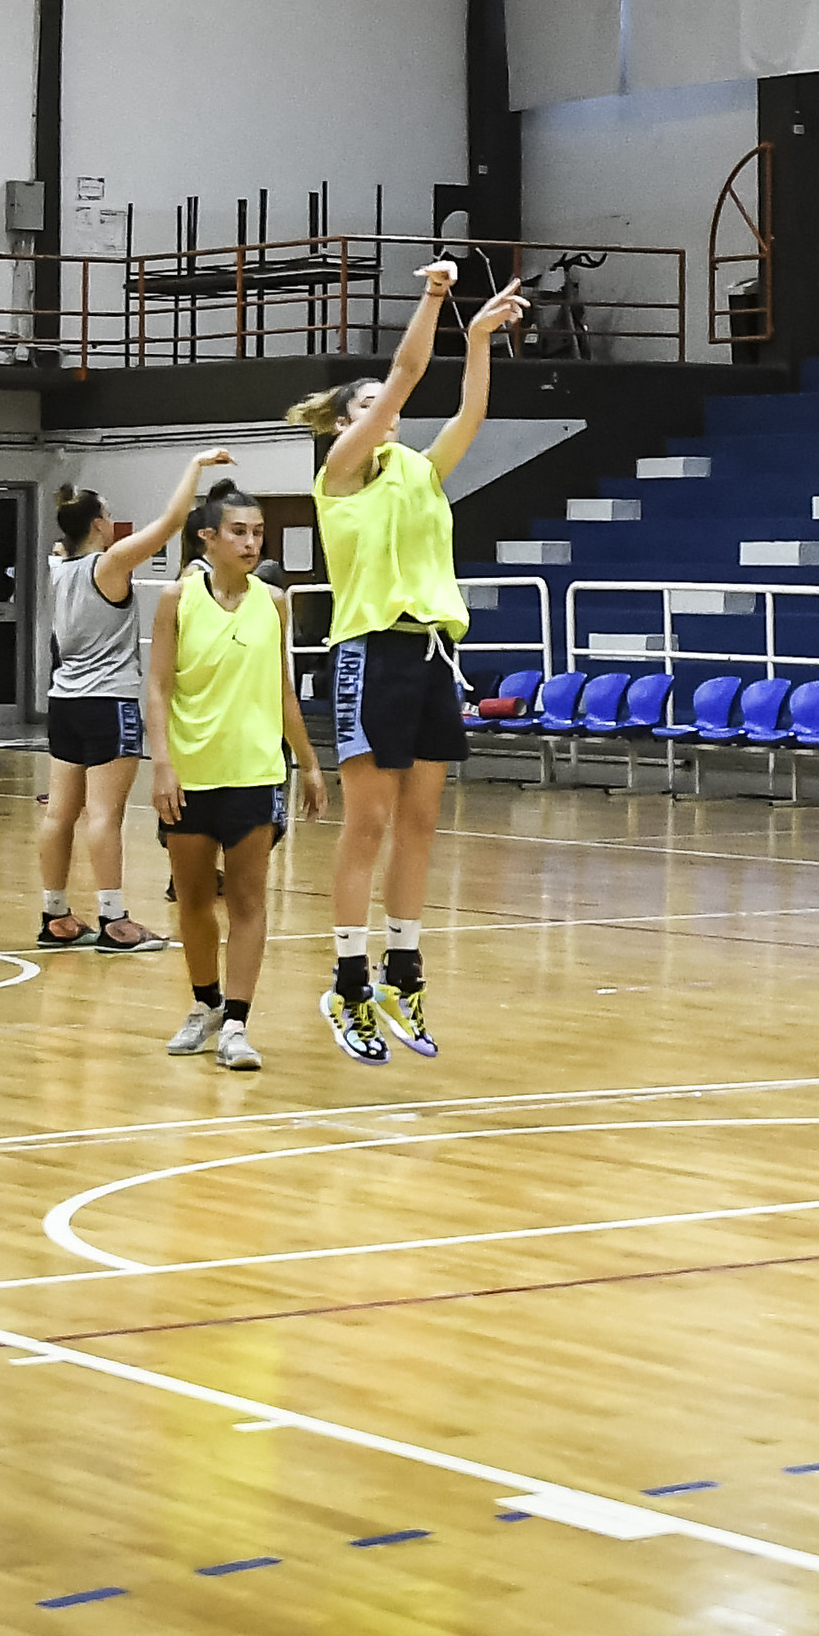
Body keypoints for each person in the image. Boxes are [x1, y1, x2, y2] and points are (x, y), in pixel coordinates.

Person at [295, 262, 523, 1065]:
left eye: (379, 411)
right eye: (365, 410)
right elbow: (404, 376)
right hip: (370, 650)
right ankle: (347, 980)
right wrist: (433, 299)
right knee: (370, 823)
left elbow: (472, 409)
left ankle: (403, 968)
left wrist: (480, 339)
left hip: (432, 652)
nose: (382, 415)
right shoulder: (340, 479)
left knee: (421, 824)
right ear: (344, 425)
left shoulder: (421, 471)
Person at [145, 477, 327, 1072]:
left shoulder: (274, 602)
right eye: (238, 533)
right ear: (209, 538)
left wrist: (308, 760)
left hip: (254, 773)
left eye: (257, 534)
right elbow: (157, 688)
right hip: (189, 775)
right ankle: (205, 1005)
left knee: (248, 899)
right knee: (195, 899)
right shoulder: (177, 599)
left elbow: (282, 689)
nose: (250, 544)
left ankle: (239, 1024)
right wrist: (162, 764)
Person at [35, 455, 228, 954]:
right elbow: (170, 523)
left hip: (63, 701)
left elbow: (63, 548)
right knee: (104, 815)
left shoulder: (59, 568)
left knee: (60, 814)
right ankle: (114, 920)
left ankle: (55, 914)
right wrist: (195, 466)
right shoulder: (111, 563)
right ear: (99, 524)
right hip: (108, 700)